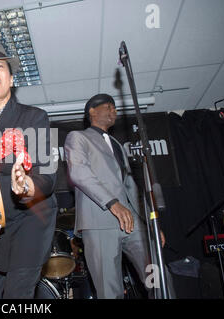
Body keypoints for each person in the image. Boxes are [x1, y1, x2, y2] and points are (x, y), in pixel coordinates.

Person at [0, 40, 58, 298]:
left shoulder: (34, 117)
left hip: (30, 217)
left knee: (17, 295)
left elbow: (47, 176)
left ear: (11, 79)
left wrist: (26, 185)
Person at [64, 93, 172, 299]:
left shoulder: (116, 145)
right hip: (100, 222)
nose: (114, 111)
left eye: (115, 107)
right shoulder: (78, 137)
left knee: (157, 277)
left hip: (133, 222)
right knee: (110, 289)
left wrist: (150, 224)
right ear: (92, 112)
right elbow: (79, 172)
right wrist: (112, 203)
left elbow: (130, 186)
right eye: (108, 106)